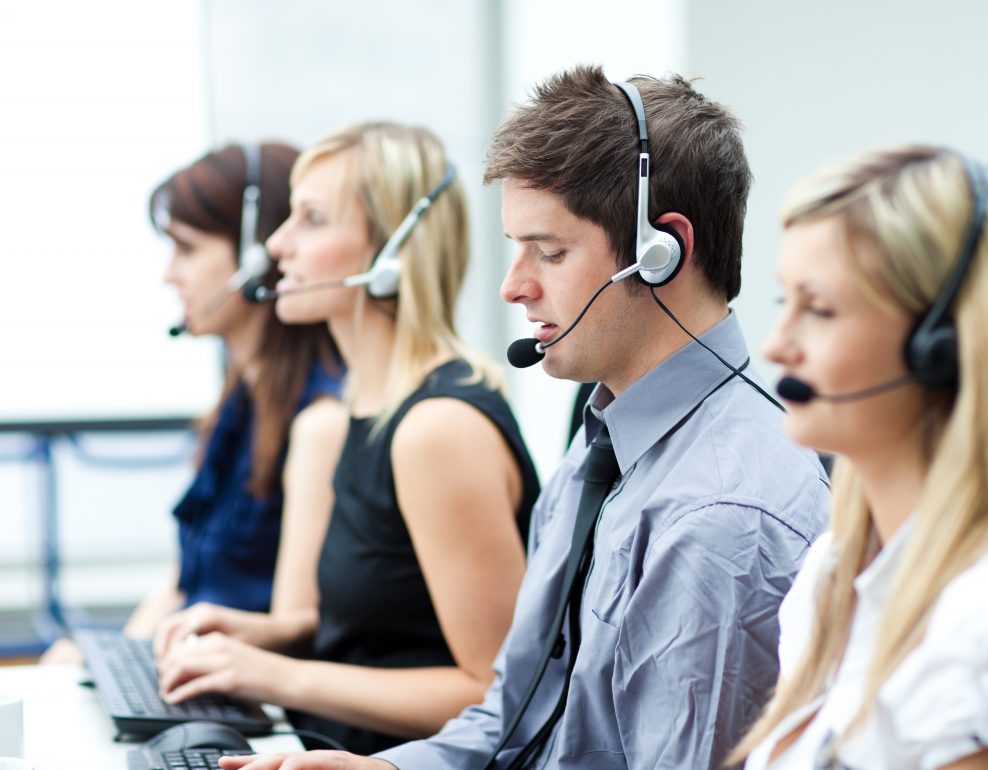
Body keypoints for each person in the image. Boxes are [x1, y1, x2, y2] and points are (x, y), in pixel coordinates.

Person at [221, 64, 829, 770]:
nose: (515, 286)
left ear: (663, 255)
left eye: (550, 252)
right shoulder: (606, 441)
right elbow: (514, 715)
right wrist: (384, 769)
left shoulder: (721, 519)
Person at [155, 121, 541, 755]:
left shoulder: (436, 429)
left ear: (391, 253)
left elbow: (497, 693)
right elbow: (369, 636)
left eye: (311, 220)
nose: (277, 244)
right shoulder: (358, 411)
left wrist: (280, 674)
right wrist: (257, 634)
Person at [729, 147, 988, 769]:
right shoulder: (831, 575)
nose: (777, 345)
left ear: (938, 347)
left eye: (821, 310)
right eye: (786, 302)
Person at [40, 143, 345, 664]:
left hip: (249, 701)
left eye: (186, 248)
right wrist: (112, 660)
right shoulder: (239, 405)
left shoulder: (319, 420)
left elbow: (291, 635)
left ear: (254, 259)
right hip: (196, 671)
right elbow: (185, 579)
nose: (169, 274)